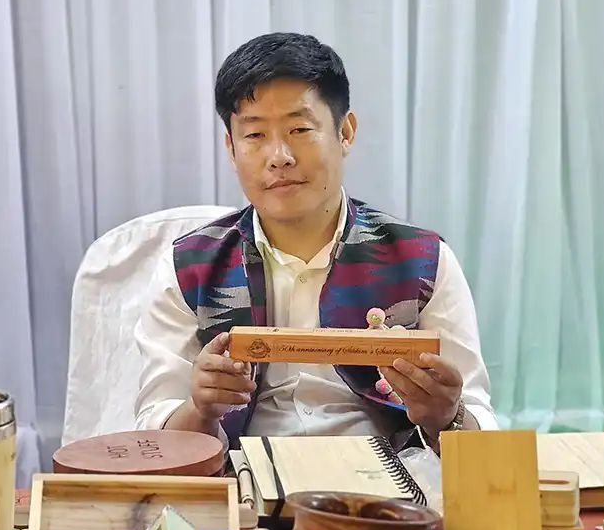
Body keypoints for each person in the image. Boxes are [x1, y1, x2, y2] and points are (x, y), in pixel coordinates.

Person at [134, 32, 494, 452]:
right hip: (243, 488)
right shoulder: (188, 266)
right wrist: (202, 407)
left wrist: (446, 416)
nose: (280, 156)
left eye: (300, 128)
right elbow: (155, 433)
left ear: (345, 132)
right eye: (254, 136)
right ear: (231, 149)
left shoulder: (422, 261)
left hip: (390, 493)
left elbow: (479, 428)